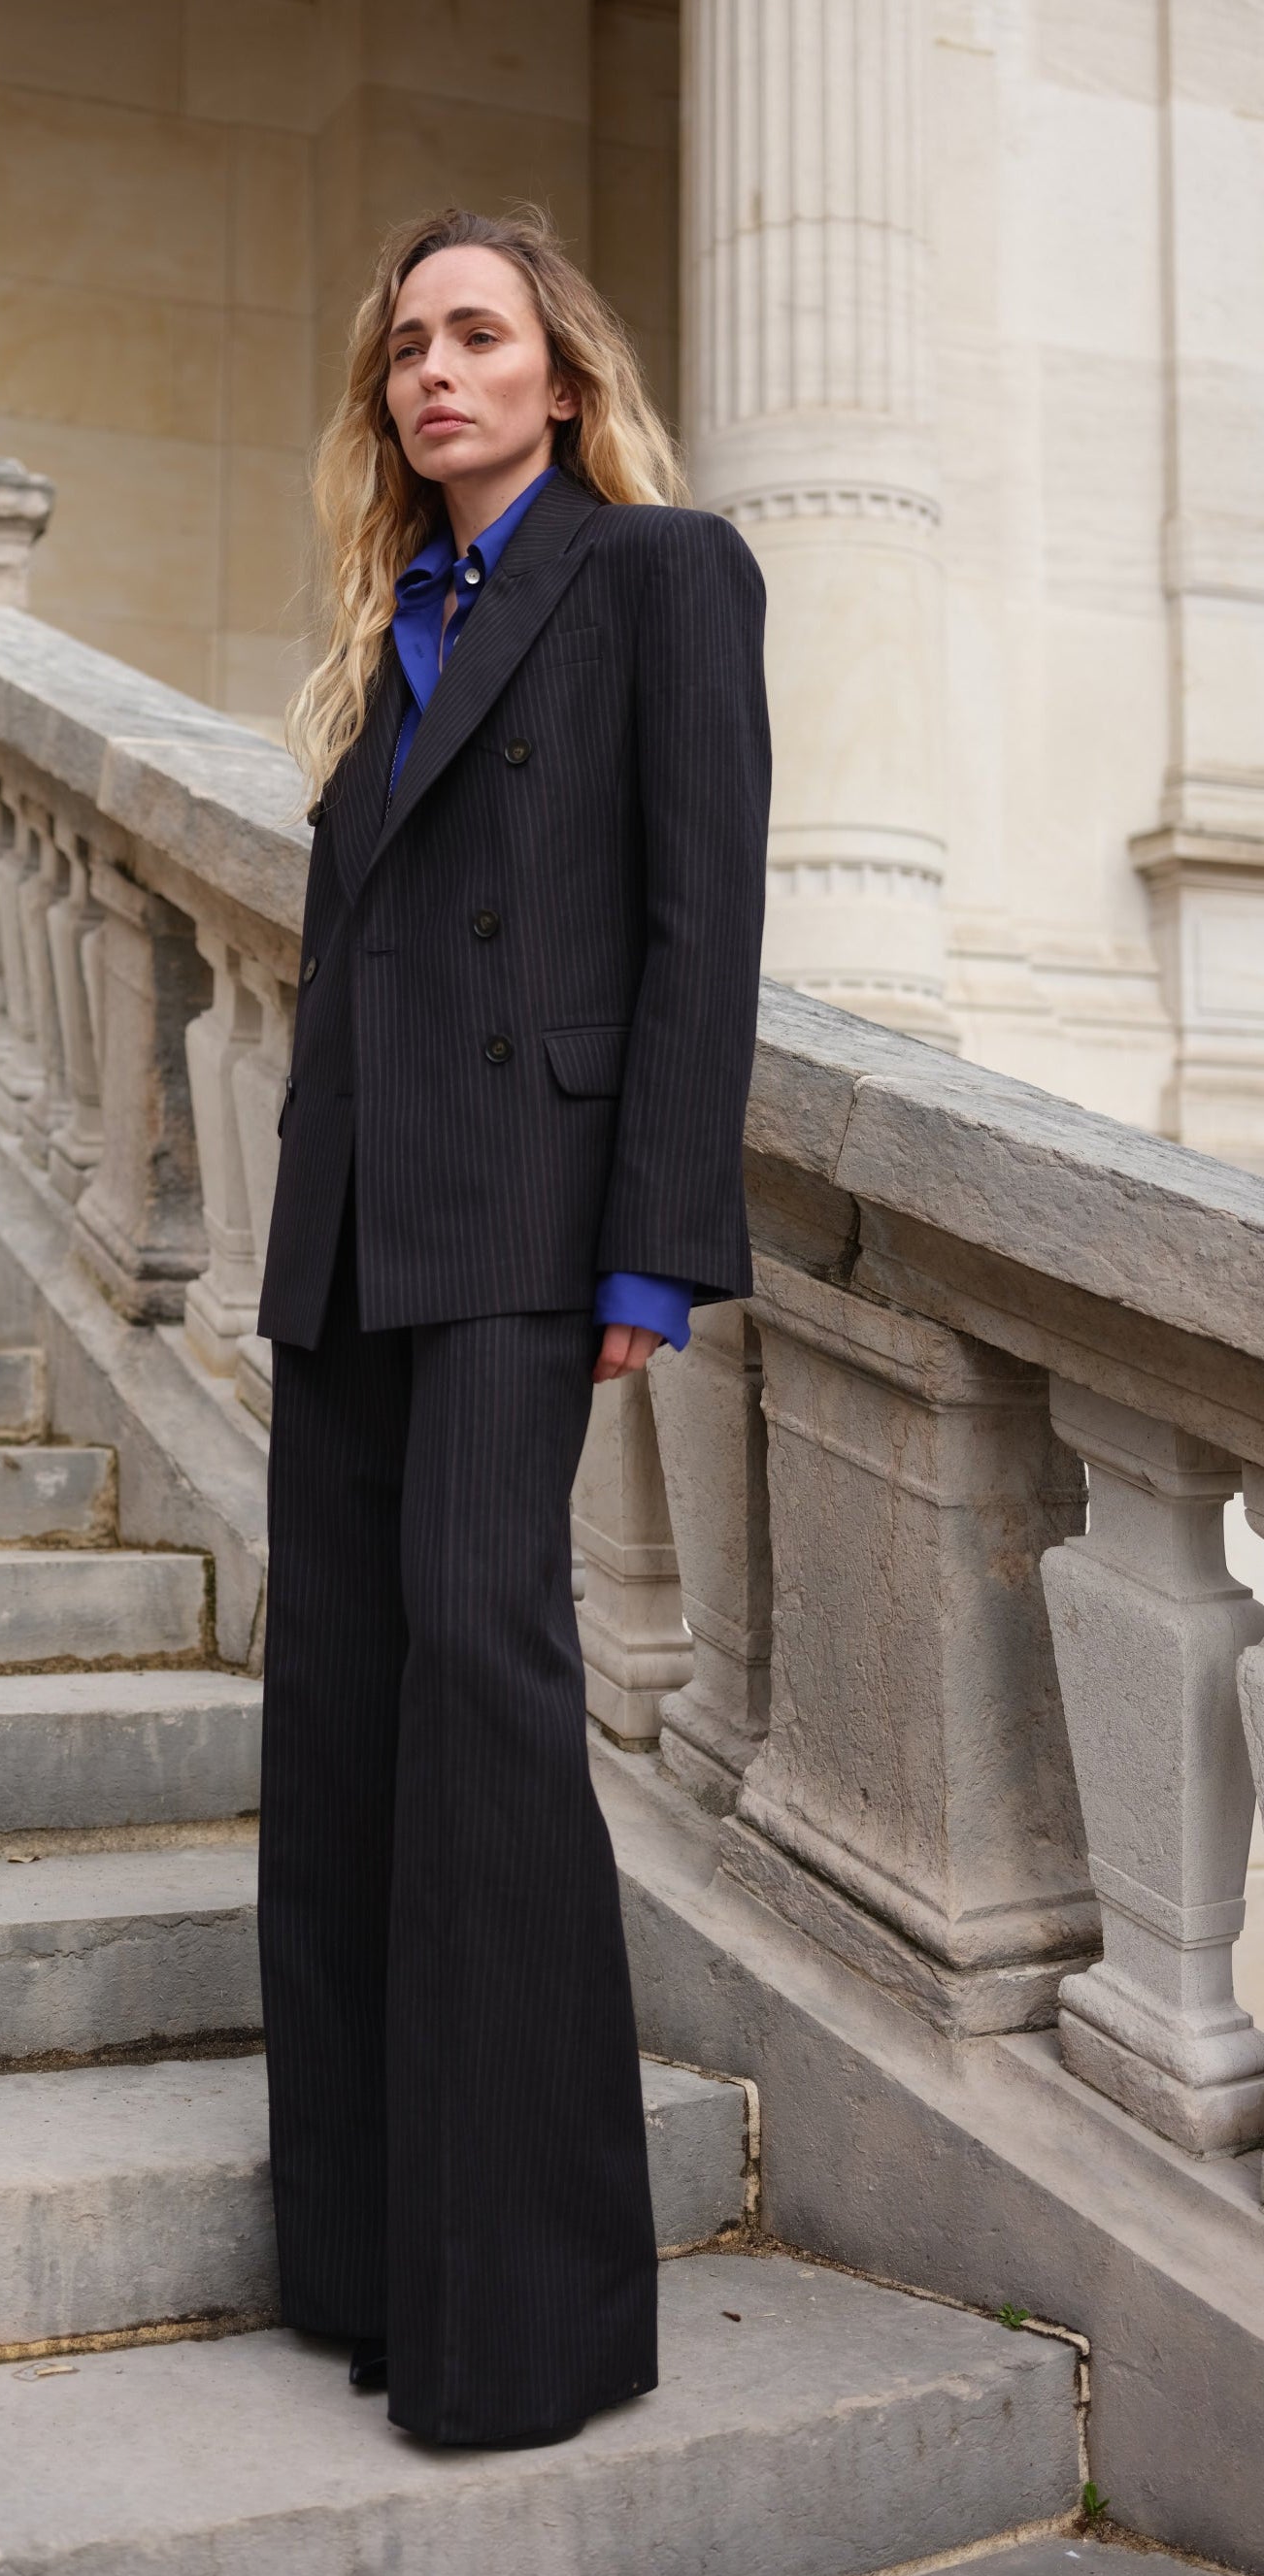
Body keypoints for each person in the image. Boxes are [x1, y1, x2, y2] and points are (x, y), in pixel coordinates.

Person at [254, 203, 771, 2451]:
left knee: (483, 1688)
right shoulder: (389, 629)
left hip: (531, 1223)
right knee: (342, 1726)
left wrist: (652, 1251)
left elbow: (698, 925)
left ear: (562, 376)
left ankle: (530, 2318)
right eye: (407, 349)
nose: (435, 374)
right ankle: (369, 2268)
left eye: (477, 336)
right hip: (358, 1237)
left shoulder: (662, 576)